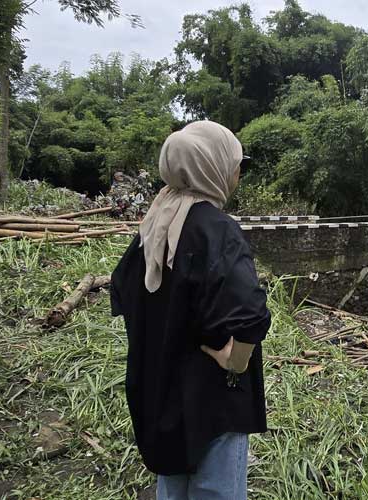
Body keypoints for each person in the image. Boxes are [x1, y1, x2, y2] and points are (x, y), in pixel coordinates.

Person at [110, 121, 271, 500]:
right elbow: (250, 314)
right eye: (235, 165)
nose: (237, 176)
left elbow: (122, 292)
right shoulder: (215, 228)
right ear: (210, 166)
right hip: (213, 399)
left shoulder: (153, 226)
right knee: (216, 490)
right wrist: (236, 360)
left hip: (162, 389)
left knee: (173, 486)